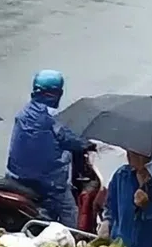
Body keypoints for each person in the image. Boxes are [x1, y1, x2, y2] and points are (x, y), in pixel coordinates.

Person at [5, 70, 90, 226]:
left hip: (15, 177)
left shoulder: (23, 113)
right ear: (58, 93)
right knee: (69, 211)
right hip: (46, 184)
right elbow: (73, 141)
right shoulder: (54, 118)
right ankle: (73, 242)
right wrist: (88, 143)